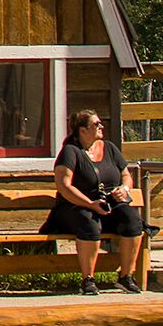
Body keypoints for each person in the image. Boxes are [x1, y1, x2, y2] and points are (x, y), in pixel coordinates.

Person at [42, 108, 150, 293]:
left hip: (108, 204)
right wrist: (90, 203)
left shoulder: (109, 148)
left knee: (132, 220)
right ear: (82, 130)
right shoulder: (70, 152)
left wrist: (123, 189)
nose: (101, 126)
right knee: (89, 222)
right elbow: (64, 186)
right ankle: (88, 280)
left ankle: (126, 276)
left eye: (100, 123)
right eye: (96, 124)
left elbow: (126, 175)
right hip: (75, 207)